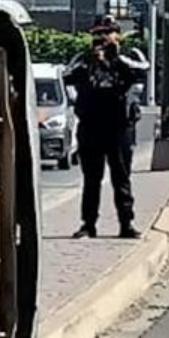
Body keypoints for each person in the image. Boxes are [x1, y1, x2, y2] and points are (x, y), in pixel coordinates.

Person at [63, 15, 149, 238]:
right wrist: (91, 61)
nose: (101, 37)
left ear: (117, 34)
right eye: (97, 33)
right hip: (91, 125)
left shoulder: (129, 55)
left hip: (119, 127)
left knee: (121, 177)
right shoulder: (83, 57)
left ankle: (126, 223)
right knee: (91, 179)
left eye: (106, 32)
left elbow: (143, 70)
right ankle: (88, 224)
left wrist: (116, 58)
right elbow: (66, 75)